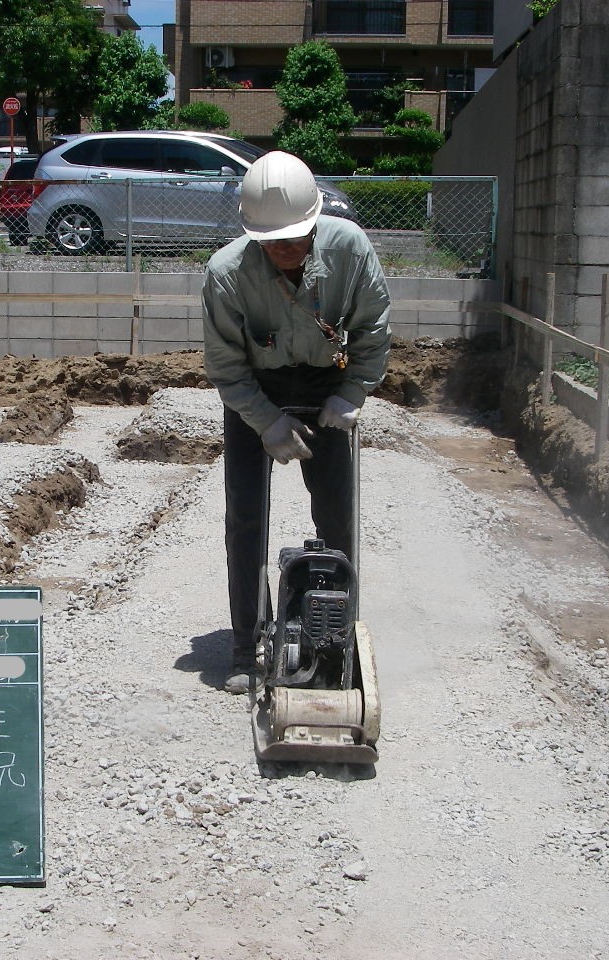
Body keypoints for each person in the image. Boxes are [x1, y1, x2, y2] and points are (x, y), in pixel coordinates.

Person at [201, 151, 392, 694]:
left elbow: (374, 330)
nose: (284, 248)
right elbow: (226, 367)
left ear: (316, 218)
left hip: (324, 387)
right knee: (245, 519)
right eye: (272, 239)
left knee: (337, 516)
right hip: (255, 393)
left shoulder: (350, 250)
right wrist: (265, 422)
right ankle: (244, 644)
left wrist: (352, 394)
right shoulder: (227, 274)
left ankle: (333, 640)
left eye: (295, 236)